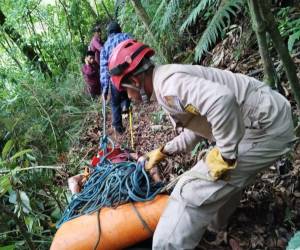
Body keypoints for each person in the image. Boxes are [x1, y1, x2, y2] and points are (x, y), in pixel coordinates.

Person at [108, 39, 296, 249]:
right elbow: (199, 127)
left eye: (125, 91)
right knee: (216, 176)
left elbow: (221, 101)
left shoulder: (169, 86)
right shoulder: (166, 80)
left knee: (188, 191)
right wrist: (163, 151)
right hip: (264, 119)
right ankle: (216, 230)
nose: (129, 97)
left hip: (264, 127)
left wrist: (226, 155)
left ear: (134, 80)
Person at [100, 21, 131, 135]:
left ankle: (118, 127)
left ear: (108, 33)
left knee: (114, 103)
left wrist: (104, 90)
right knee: (127, 93)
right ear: (119, 29)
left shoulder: (105, 47)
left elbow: (104, 71)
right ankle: (126, 105)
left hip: (115, 80)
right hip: (129, 75)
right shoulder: (126, 37)